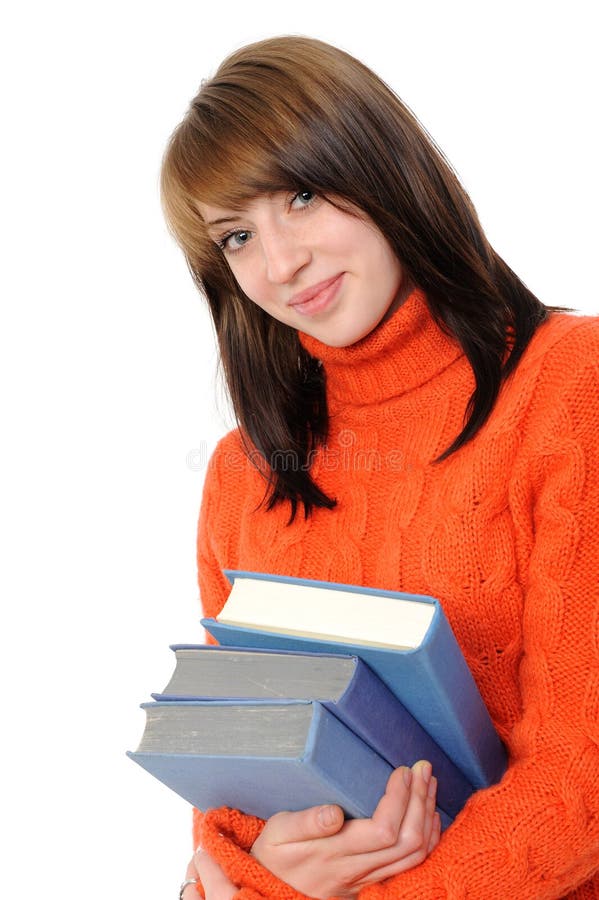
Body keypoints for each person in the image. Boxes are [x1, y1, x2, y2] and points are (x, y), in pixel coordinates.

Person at [160, 35, 599, 900]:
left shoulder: (570, 391)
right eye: (239, 235)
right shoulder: (242, 475)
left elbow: (579, 783)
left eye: (303, 195)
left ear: (382, 168)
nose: (281, 265)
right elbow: (235, 784)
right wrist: (257, 877)